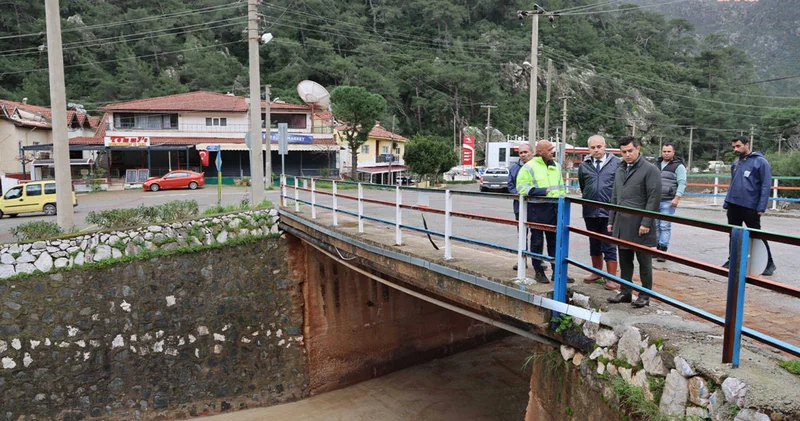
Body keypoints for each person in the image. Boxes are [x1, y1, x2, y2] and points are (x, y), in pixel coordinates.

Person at [607, 137, 661, 308]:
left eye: (630, 151)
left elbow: (653, 199)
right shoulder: (620, 169)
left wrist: (646, 222)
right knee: (624, 260)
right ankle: (625, 292)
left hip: (640, 224)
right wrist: (611, 220)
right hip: (622, 222)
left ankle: (645, 295)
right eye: (624, 152)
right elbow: (615, 196)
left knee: (644, 261)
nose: (627, 155)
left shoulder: (650, 170)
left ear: (638, 149)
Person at [516, 139, 575, 284]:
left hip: (554, 209)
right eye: (549, 149)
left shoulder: (556, 166)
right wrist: (541, 191)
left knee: (555, 242)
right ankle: (539, 271)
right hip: (537, 209)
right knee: (537, 242)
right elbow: (521, 187)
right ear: (540, 151)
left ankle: (557, 272)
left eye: (552, 149)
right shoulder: (529, 167)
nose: (552, 151)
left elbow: (560, 188)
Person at [722, 136, 776, 276]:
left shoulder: (760, 162)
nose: (735, 149)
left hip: (750, 206)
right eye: (734, 147)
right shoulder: (736, 164)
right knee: (734, 234)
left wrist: (761, 206)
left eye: (738, 146)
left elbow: (765, 186)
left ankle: (768, 263)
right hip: (734, 205)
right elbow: (733, 184)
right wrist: (727, 202)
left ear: (747, 144)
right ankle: (733, 260)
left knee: (756, 234)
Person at [577, 135, 621, 289]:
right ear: (589, 149)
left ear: (605, 146)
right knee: (594, 242)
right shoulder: (584, 166)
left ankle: (611, 278)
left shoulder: (617, 163)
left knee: (609, 243)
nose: (596, 150)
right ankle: (596, 272)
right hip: (590, 210)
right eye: (593, 147)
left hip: (609, 212)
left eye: (599, 147)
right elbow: (583, 186)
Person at [655, 144, 687, 262]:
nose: (666, 153)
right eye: (664, 151)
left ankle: (663, 250)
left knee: (665, 225)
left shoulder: (679, 167)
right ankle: (657, 248)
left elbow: (682, 183)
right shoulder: (656, 165)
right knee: (656, 225)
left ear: (673, 152)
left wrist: (677, 198)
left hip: (668, 200)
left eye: (669, 151)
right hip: (655, 200)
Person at [508, 143, 534, 270]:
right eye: (521, 153)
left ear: (532, 153)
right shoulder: (514, 169)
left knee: (537, 235)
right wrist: (518, 194)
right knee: (522, 235)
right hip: (519, 206)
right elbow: (510, 186)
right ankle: (522, 260)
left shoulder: (538, 167)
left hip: (536, 207)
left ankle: (538, 261)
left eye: (525, 152)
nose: (523, 155)